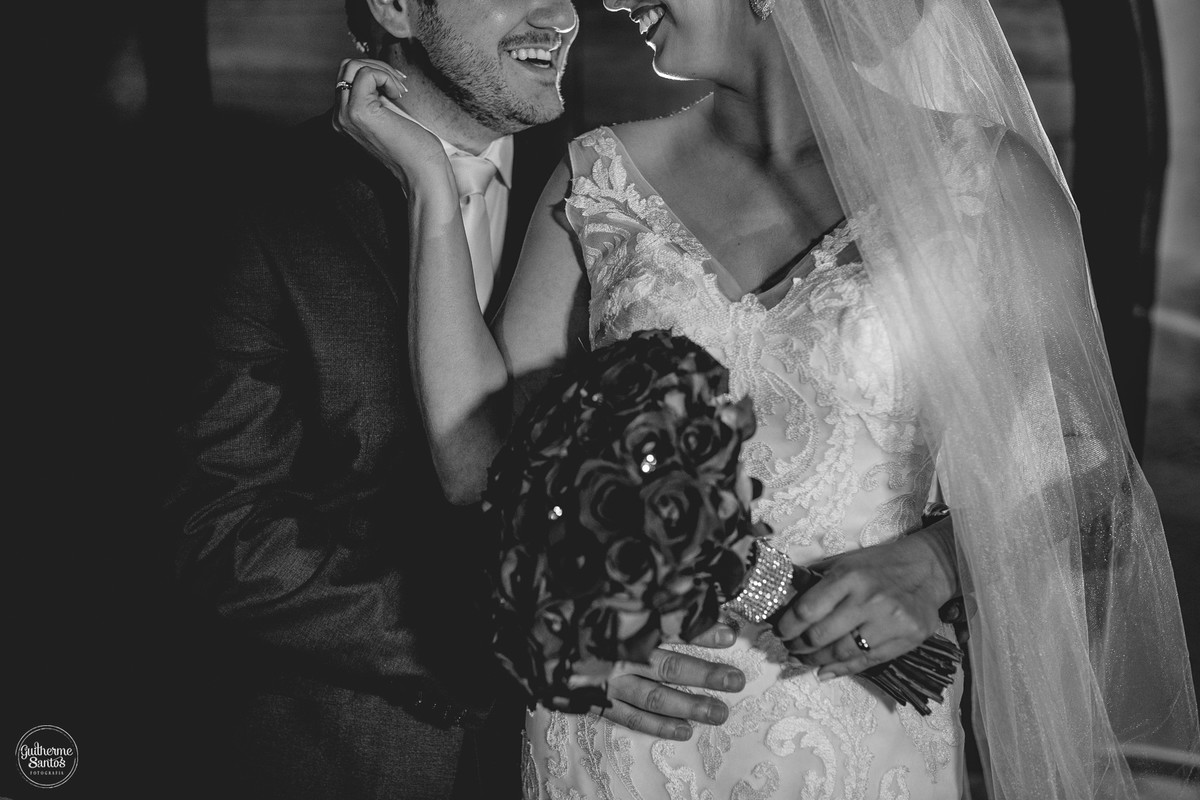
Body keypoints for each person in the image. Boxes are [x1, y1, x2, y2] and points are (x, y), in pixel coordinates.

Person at [336, 0, 1200, 797]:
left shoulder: (983, 183)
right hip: (618, 733)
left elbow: (1099, 490)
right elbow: (477, 464)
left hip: (853, 737)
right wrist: (429, 194)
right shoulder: (598, 176)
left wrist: (937, 563)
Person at [166, 0, 755, 797]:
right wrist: (520, 636)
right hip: (356, 761)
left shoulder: (612, 188)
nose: (564, 14)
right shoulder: (258, 209)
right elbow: (222, 530)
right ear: (398, 8)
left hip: (621, 760)